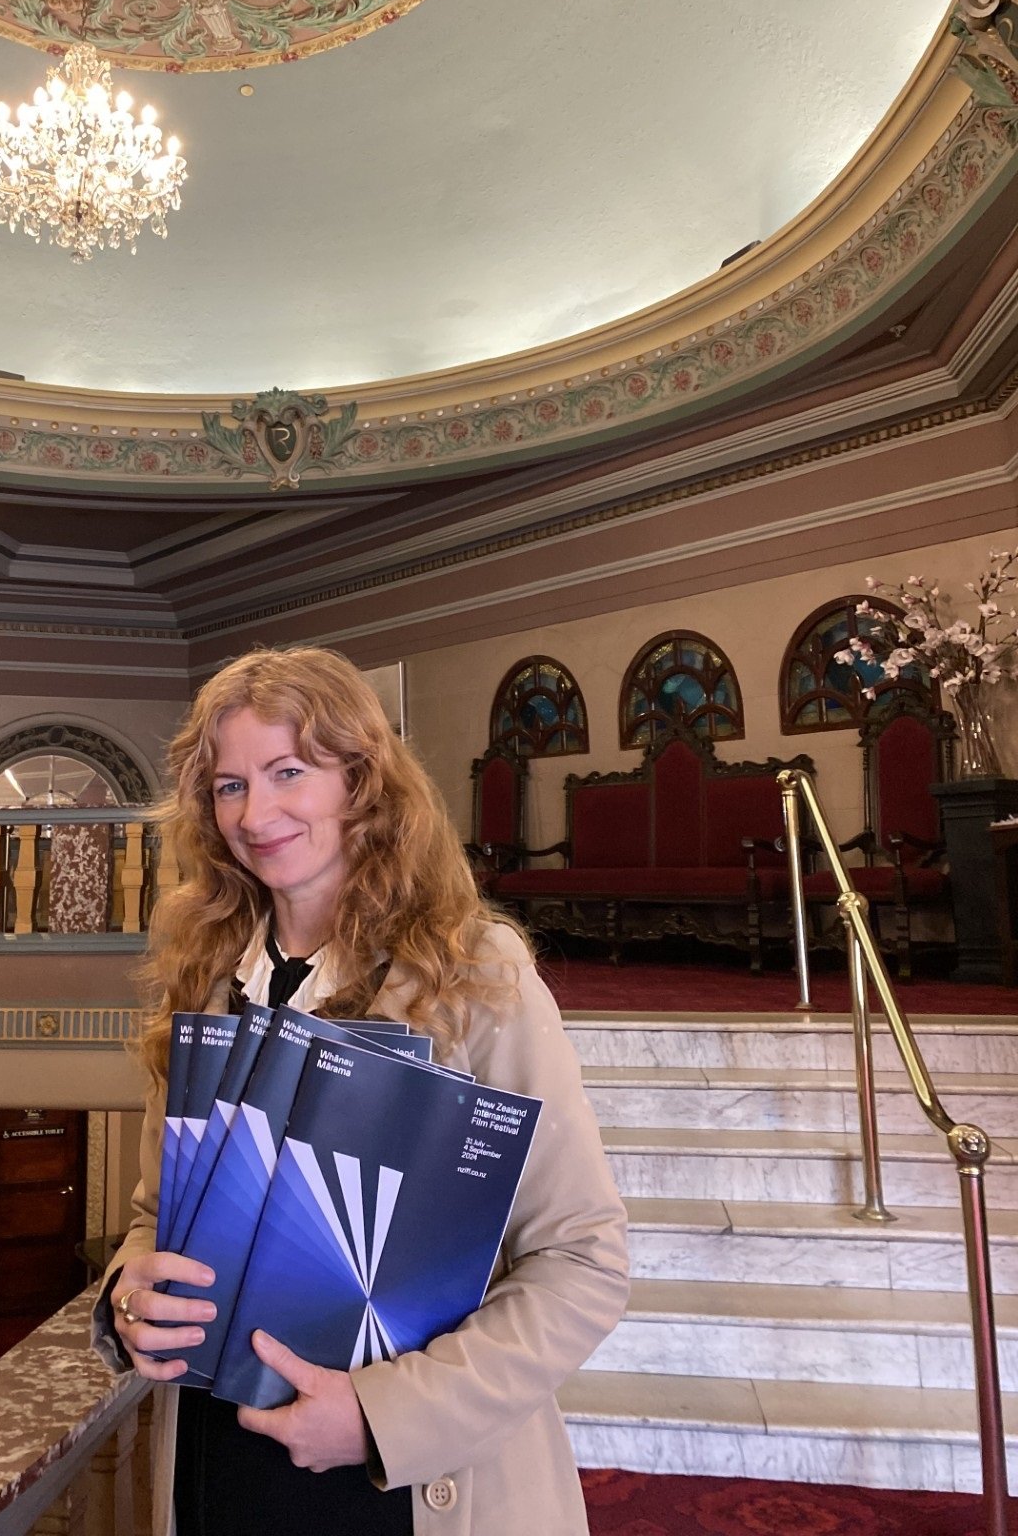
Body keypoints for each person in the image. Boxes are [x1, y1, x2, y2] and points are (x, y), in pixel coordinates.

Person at [93, 646, 628, 1536]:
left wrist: (380, 1417)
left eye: (288, 772)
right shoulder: (206, 979)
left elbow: (582, 1263)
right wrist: (130, 1293)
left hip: (402, 1484)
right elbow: (155, 1216)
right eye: (228, 786)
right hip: (219, 1469)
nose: (255, 814)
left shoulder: (473, 975)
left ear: (363, 781)